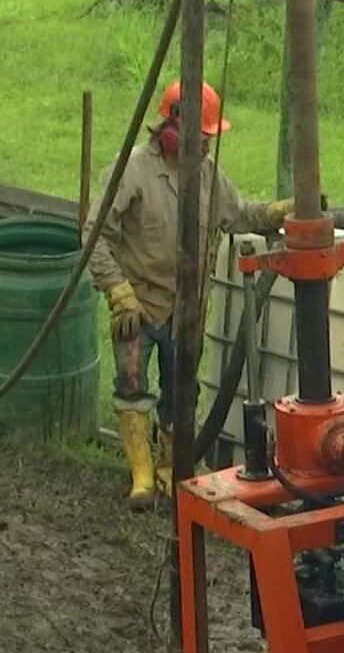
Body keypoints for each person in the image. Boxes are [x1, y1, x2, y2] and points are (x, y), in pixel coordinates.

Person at [84, 80, 291, 509]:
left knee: (182, 394)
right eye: (203, 134)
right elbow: (95, 234)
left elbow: (238, 216)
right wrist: (117, 291)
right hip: (138, 306)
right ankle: (141, 476)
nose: (208, 143)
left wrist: (274, 214)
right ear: (173, 128)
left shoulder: (208, 176)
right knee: (133, 386)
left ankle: (170, 468)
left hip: (187, 310)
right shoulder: (134, 170)